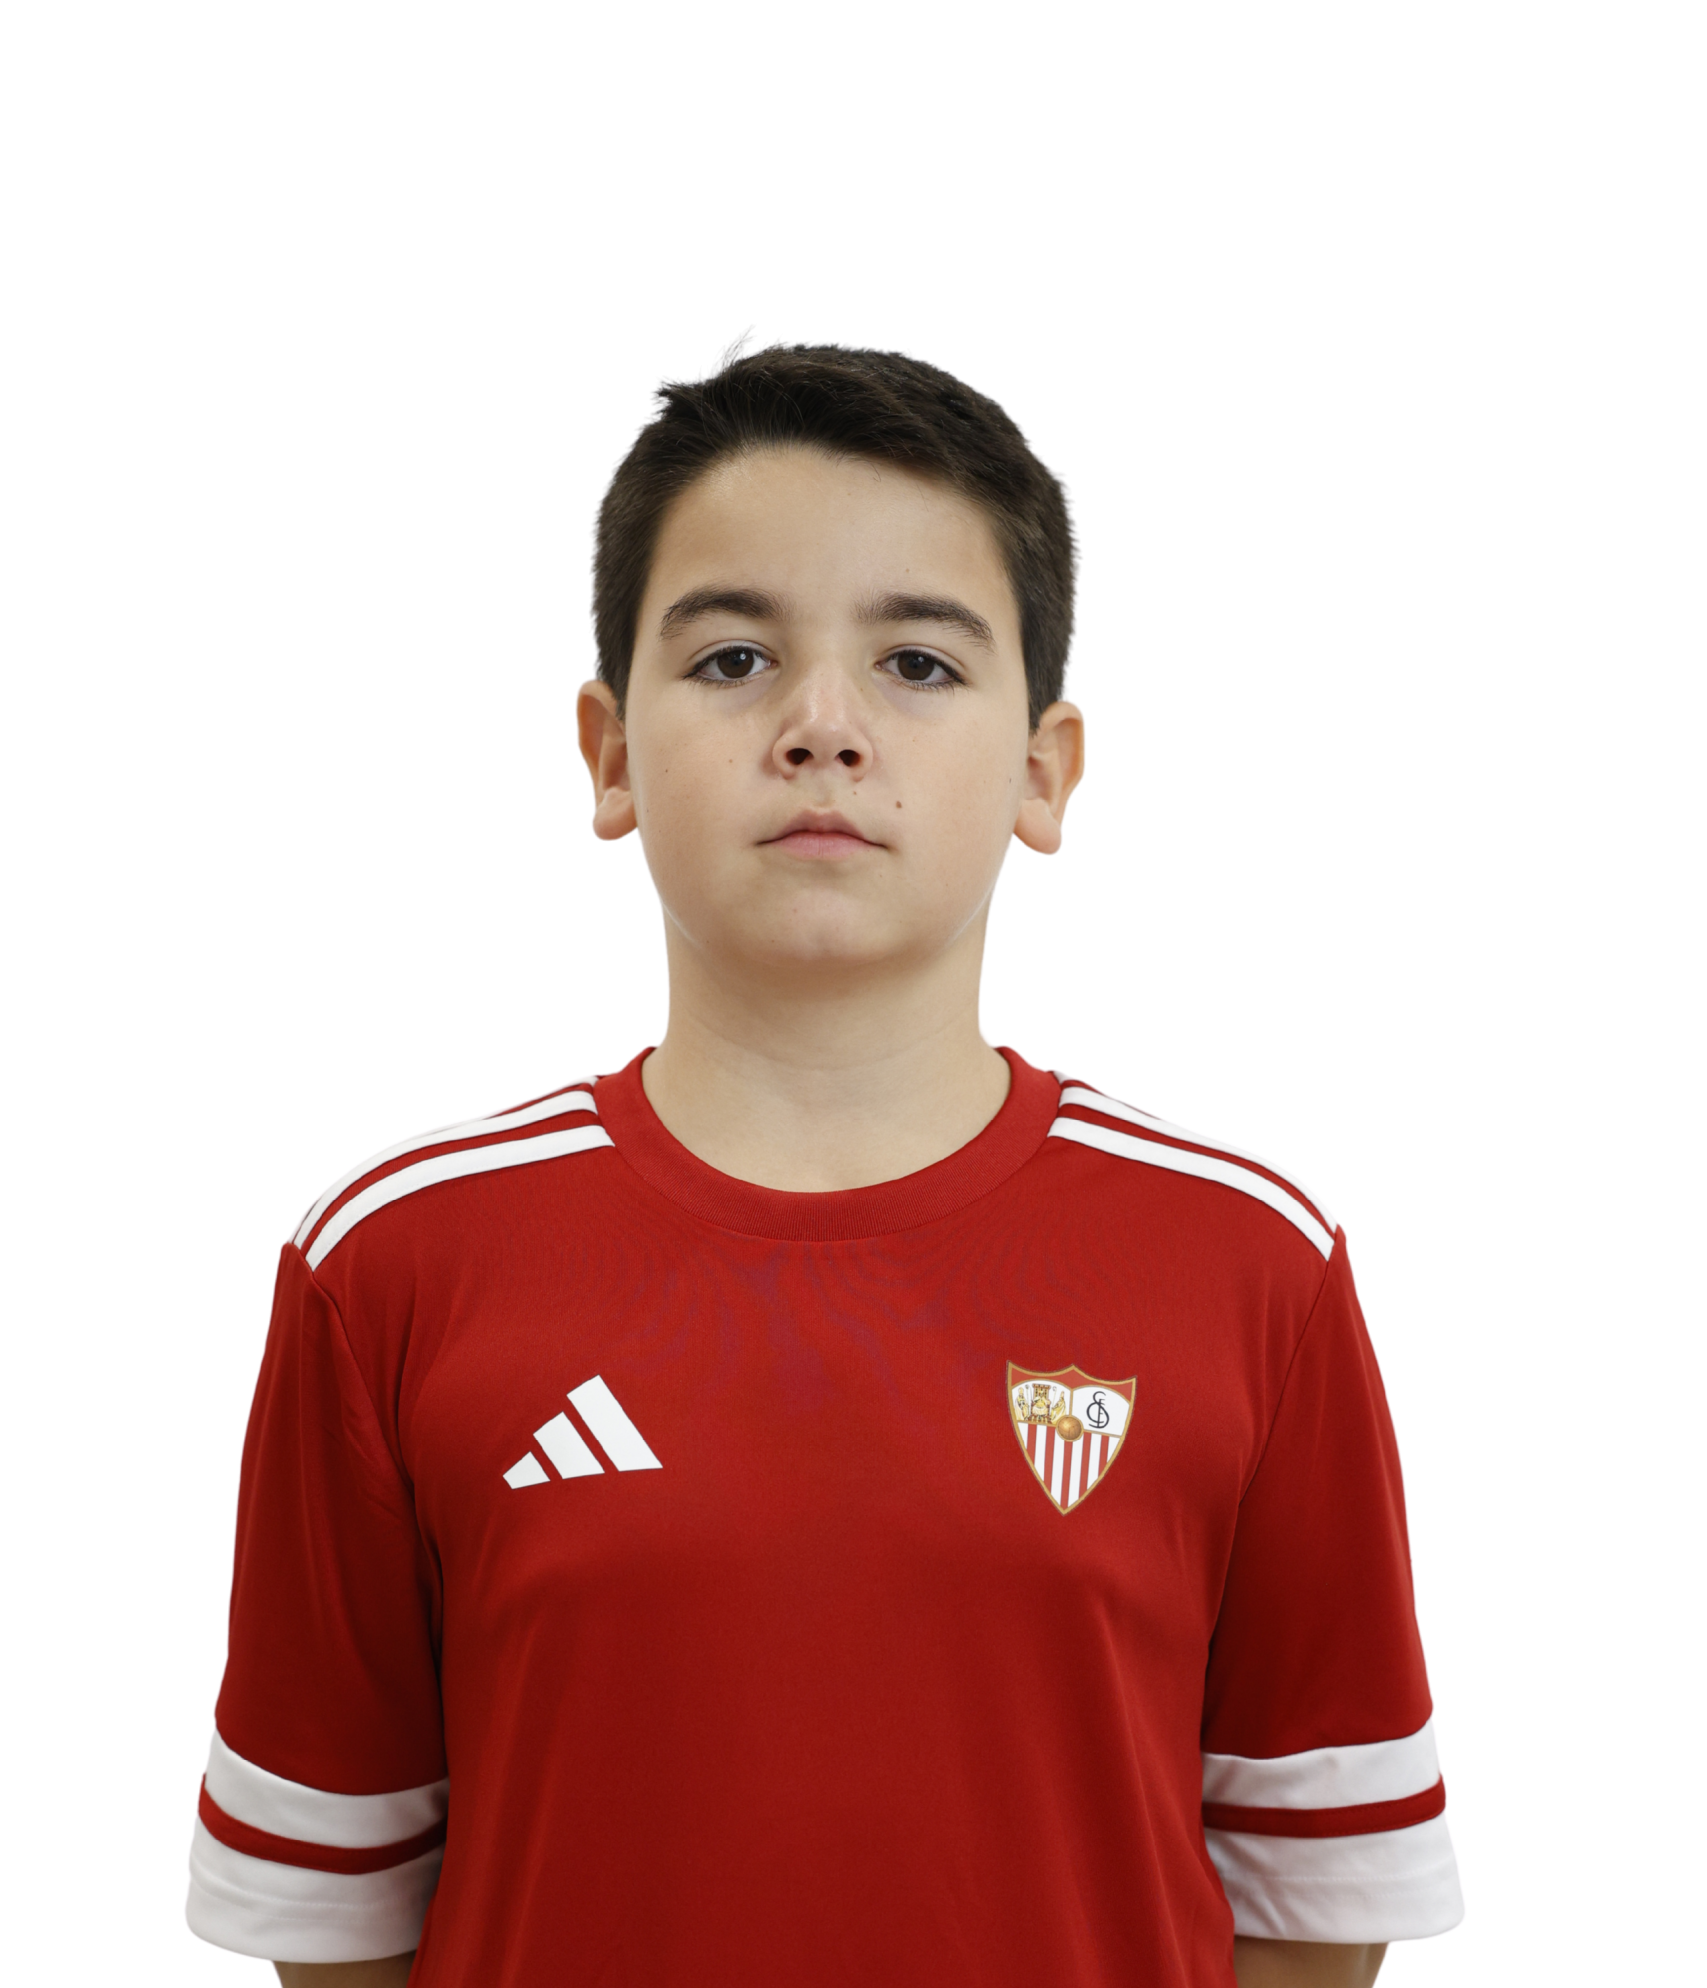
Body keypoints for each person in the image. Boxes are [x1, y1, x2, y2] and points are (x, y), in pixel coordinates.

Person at [184, 335, 1466, 1986]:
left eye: (917, 662)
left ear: (1043, 769)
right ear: (609, 752)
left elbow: (1317, 1912)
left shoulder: (1252, 1256)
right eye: (732, 657)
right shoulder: (389, 1257)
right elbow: (333, 1923)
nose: (821, 726)